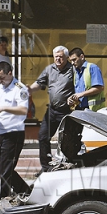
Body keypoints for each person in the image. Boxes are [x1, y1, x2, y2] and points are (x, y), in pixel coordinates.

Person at [28, 46, 74, 175]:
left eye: (61, 57)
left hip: (67, 111)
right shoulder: (49, 69)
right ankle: (46, 167)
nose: (58, 59)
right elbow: (40, 82)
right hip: (52, 110)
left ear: (66, 58)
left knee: (68, 140)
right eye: (56, 57)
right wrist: (30, 90)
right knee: (43, 137)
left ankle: (68, 166)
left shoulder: (72, 70)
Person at [0, 61, 31, 198]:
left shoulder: (20, 88)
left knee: (6, 170)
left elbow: (23, 110)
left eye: (2, 77)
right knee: (2, 168)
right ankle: (26, 191)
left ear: (10, 73)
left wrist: (3, 108)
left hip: (14, 133)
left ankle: (4, 200)